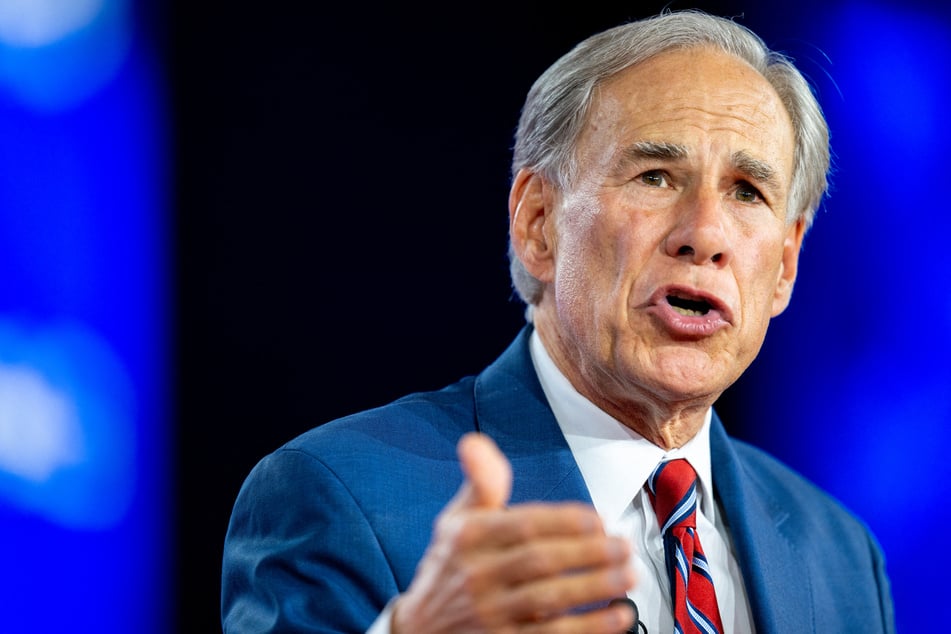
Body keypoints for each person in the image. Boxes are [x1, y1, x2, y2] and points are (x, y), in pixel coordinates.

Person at [221, 9, 895, 634]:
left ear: (784, 266)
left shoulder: (841, 557)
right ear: (538, 224)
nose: (705, 234)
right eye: (655, 176)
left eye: (747, 192)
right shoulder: (338, 496)